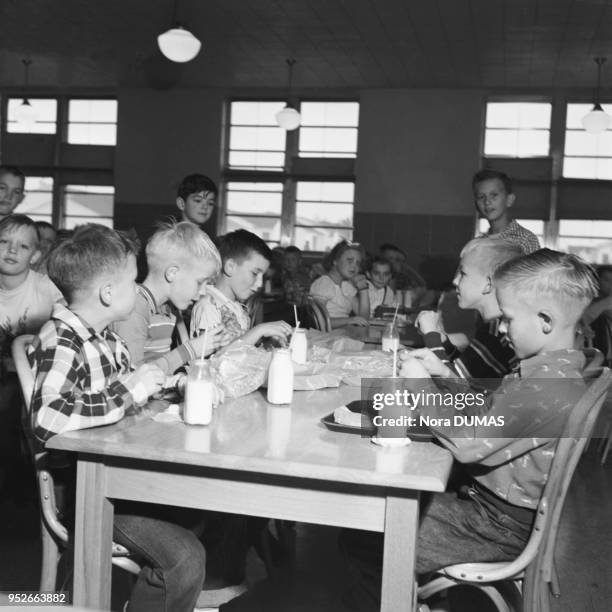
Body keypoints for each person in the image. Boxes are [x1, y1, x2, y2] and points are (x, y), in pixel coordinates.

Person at [340, 249, 598, 610]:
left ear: (545, 320)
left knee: (365, 535)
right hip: (491, 513)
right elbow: (488, 413)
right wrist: (445, 375)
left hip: (494, 527)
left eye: (508, 319)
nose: (503, 329)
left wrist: (418, 386)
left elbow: (466, 441)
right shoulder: (549, 371)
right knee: (375, 514)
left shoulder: (544, 388)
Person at [28, 224, 206, 612]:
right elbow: (47, 416)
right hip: (86, 492)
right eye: (131, 279)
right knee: (185, 556)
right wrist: (129, 391)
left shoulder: (108, 338)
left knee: (211, 506)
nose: (138, 285)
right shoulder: (62, 339)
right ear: (108, 292)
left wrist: (171, 384)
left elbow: (129, 389)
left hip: (122, 478)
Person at [0, 214, 62, 500]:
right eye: (4, 242)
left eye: (22, 247)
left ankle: (29, 485)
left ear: (36, 255)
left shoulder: (46, 286)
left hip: (39, 378)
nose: (11, 251)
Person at [113, 221, 226, 373]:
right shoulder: (134, 309)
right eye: (200, 282)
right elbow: (133, 379)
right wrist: (190, 350)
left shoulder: (168, 309)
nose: (203, 292)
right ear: (172, 273)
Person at [415, 238, 524, 380]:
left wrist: (431, 336)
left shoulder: (497, 334)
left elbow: (454, 387)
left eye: (463, 273)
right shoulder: (492, 326)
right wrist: (441, 340)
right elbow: (466, 372)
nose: (455, 281)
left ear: (488, 284)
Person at [190, 229, 291, 348]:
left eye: (262, 277)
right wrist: (259, 330)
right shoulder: (209, 307)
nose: (259, 284)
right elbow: (215, 358)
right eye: (254, 273)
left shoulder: (237, 308)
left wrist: (267, 341)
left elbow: (240, 348)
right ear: (230, 267)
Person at [473, 169, 540, 254]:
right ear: (476, 204)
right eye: (481, 197)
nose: (487, 202)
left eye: (494, 195)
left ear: (509, 200)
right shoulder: (477, 244)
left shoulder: (525, 240)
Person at [309, 240, 370, 328]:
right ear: (335, 261)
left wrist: (363, 289)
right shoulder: (323, 284)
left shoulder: (347, 286)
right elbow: (318, 321)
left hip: (342, 335)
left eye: (358, 263)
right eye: (350, 260)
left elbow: (364, 319)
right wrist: (349, 320)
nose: (354, 266)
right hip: (325, 338)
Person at [582, 264, 612, 364]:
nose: (610, 284)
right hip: (594, 355)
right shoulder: (586, 301)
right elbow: (585, 318)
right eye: (607, 280)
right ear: (596, 281)